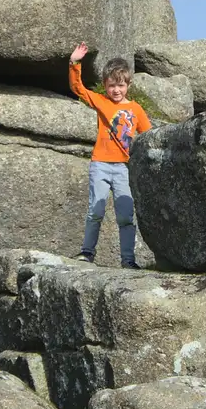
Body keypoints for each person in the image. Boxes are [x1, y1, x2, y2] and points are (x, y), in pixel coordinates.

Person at [68, 43, 152, 267]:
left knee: (125, 216)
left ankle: (128, 260)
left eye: (121, 85)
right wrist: (74, 63)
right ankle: (87, 253)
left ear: (128, 85)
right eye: (112, 85)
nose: (116, 90)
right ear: (105, 85)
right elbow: (78, 88)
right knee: (95, 210)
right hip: (101, 165)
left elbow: (149, 136)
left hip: (125, 167)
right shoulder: (102, 101)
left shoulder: (136, 110)